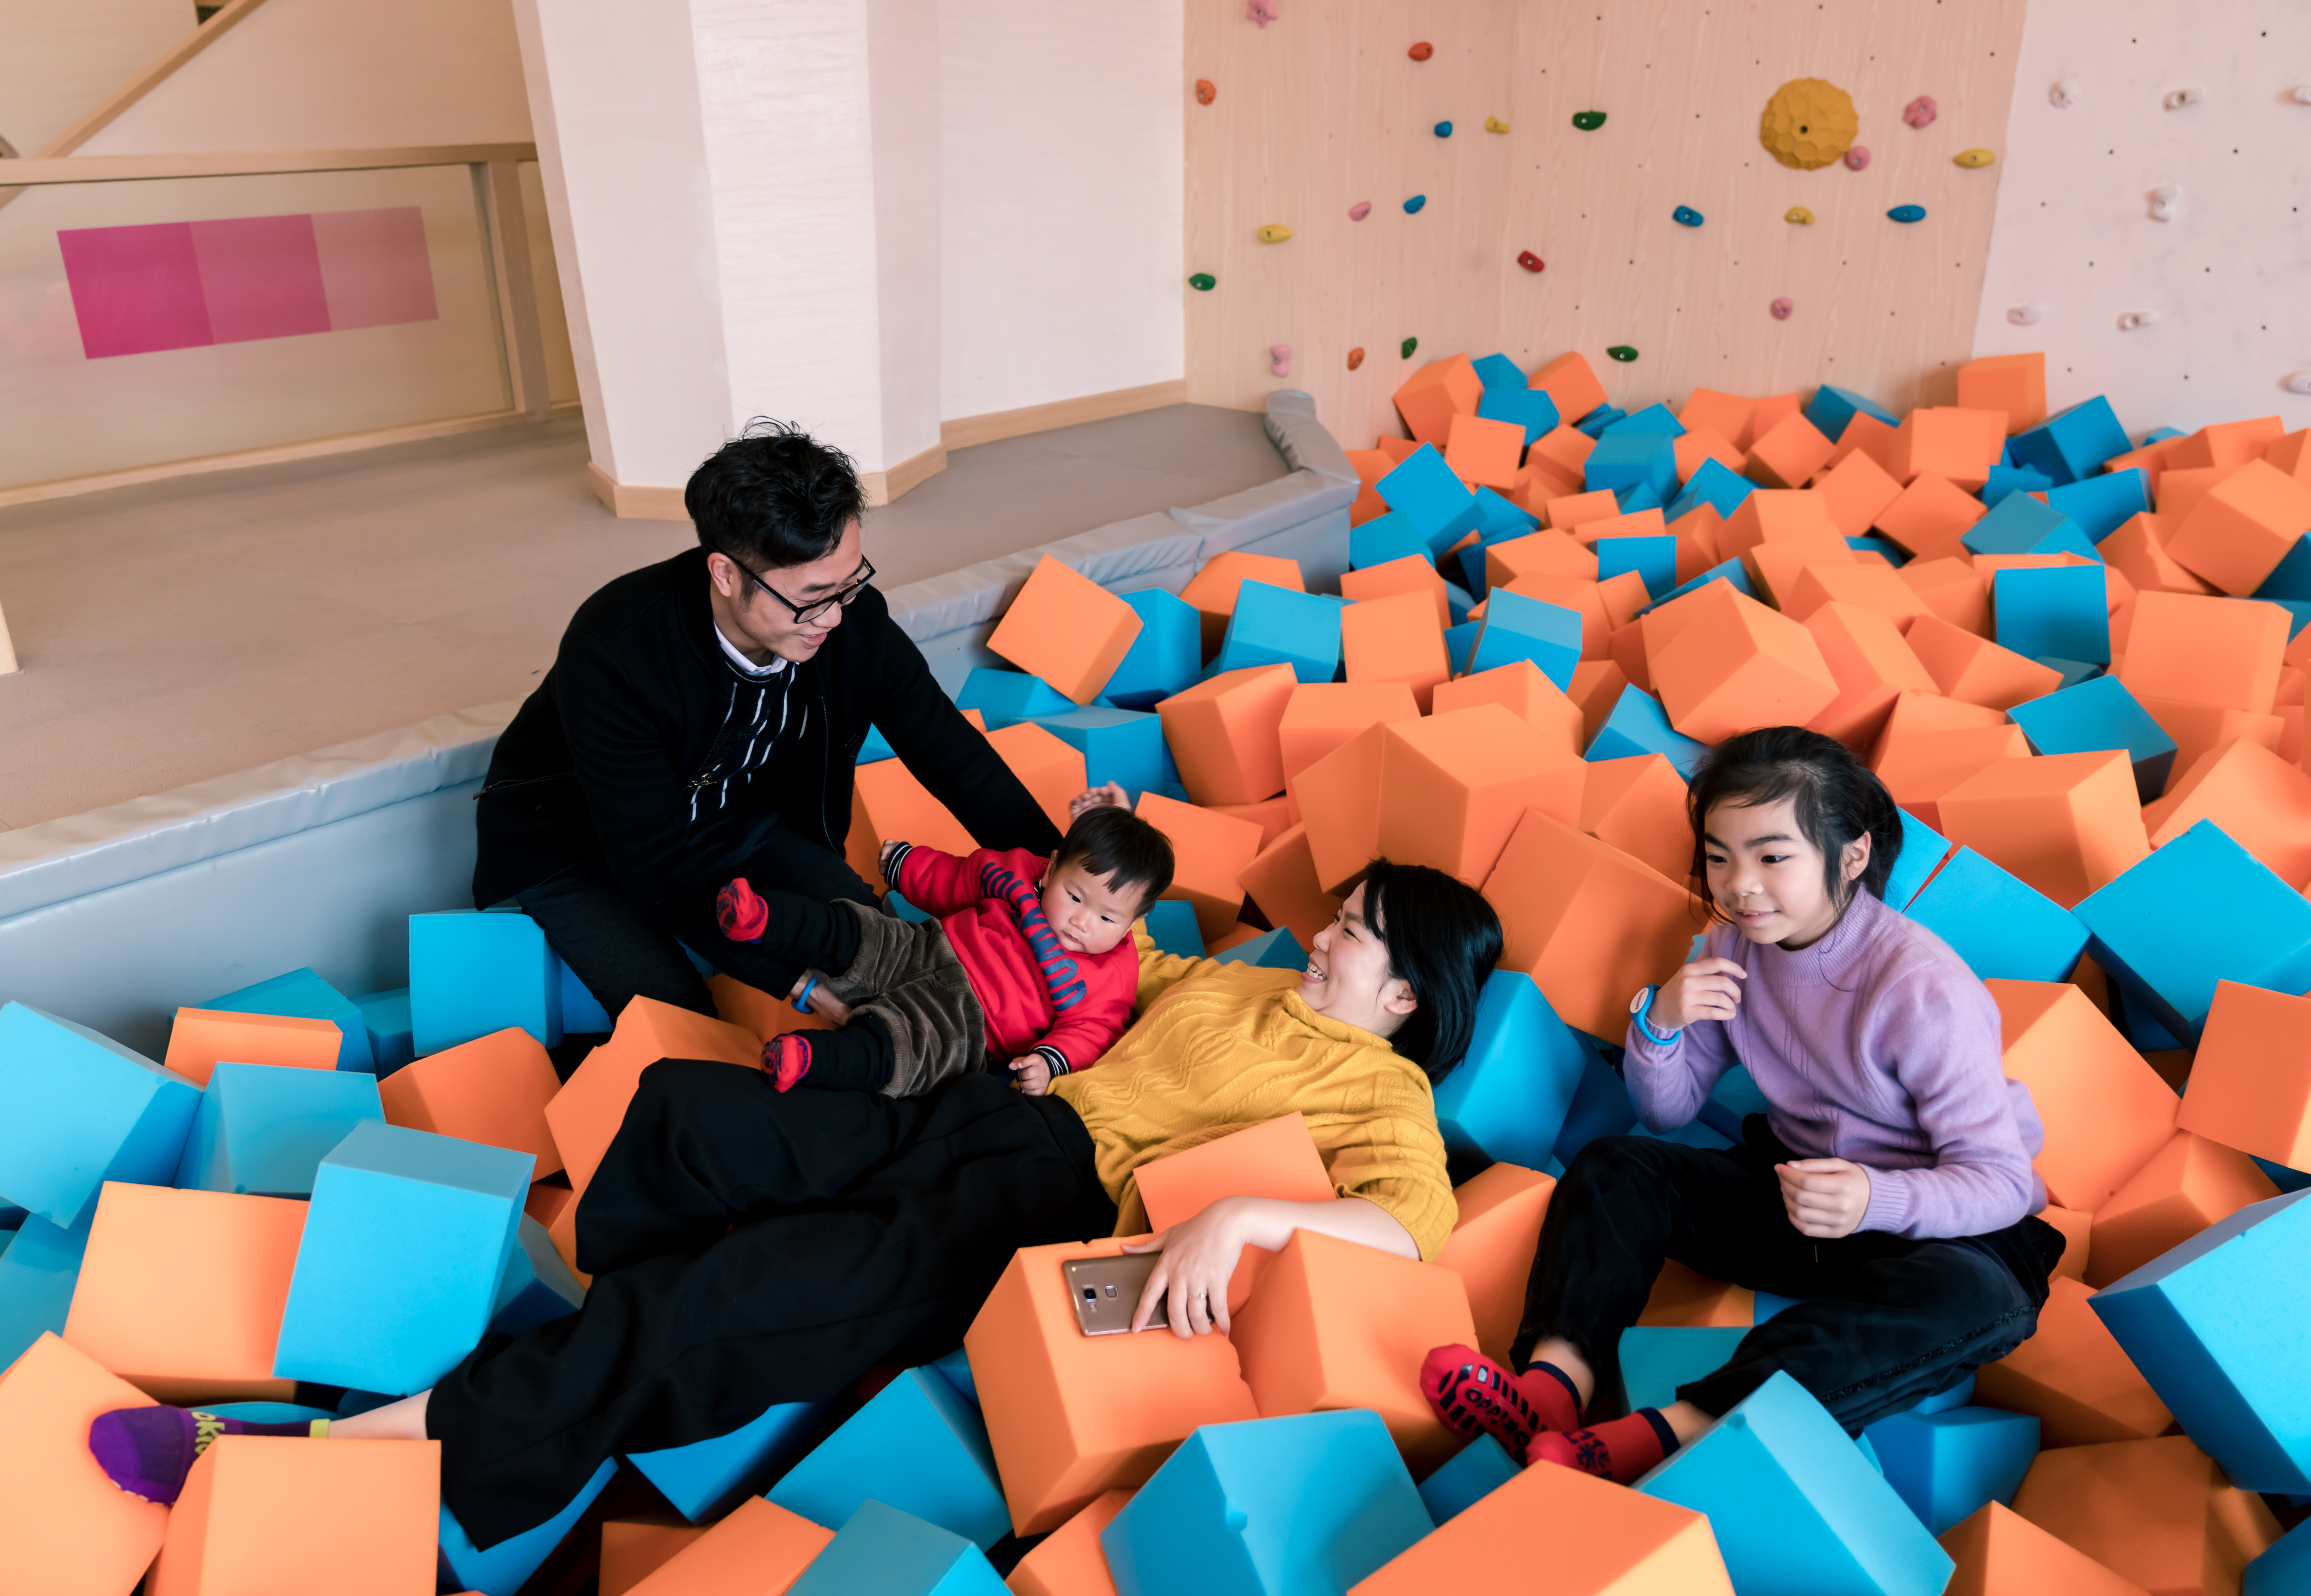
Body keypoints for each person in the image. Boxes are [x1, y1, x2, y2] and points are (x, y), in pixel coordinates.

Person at [89, 861, 1506, 1550]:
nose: (1327, 930)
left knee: (717, 1303)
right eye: (1344, 913)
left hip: (1036, 1203)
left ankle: (331, 1450)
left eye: (1362, 932)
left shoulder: (1382, 1100)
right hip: (973, 1105)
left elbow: (1415, 1234)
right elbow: (1080, 974)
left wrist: (1241, 1223)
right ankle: (601, 1395)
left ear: (1408, 995)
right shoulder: (1245, 978)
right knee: (683, 1119)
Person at [1423, 725, 2063, 1487]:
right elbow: (1665, 1112)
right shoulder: (1731, 949)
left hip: (1938, 1228)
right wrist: (1661, 1022)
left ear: (1851, 856)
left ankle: (1662, 1436)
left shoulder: (1924, 990)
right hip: (1797, 1196)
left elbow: (1999, 1180)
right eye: (1720, 857)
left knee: (1975, 1301)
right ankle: (1553, 1390)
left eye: (1772, 857)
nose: (1739, 885)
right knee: (1618, 1166)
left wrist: (1873, 1197)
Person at [473, 420, 1060, 1030]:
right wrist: (796, 983)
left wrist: (1066, 875)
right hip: (577, 846)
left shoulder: (847, 622)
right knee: (686, 1024)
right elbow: (655, 865)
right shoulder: (618, 650)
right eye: (811, 597)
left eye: (849, 584)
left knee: (891, 952)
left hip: (731, 820)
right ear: (726, 575)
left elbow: (947, 747)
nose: (832, 618)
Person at [718, 789, 1176, 1097]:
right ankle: (762, 917)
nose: (1081, 920)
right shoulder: (1019, 874)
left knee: (897, 1051)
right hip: (926, 946)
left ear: (1135, 920)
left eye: (1106, 917)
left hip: (966, 1025)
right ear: (1052, 868)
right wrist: (905, 865)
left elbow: (1092, 1031)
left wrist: (1049, 1061)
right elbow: (960, 879)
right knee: (857, 930)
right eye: (1074, 896)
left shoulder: (1112, 975)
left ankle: (809, 1059)